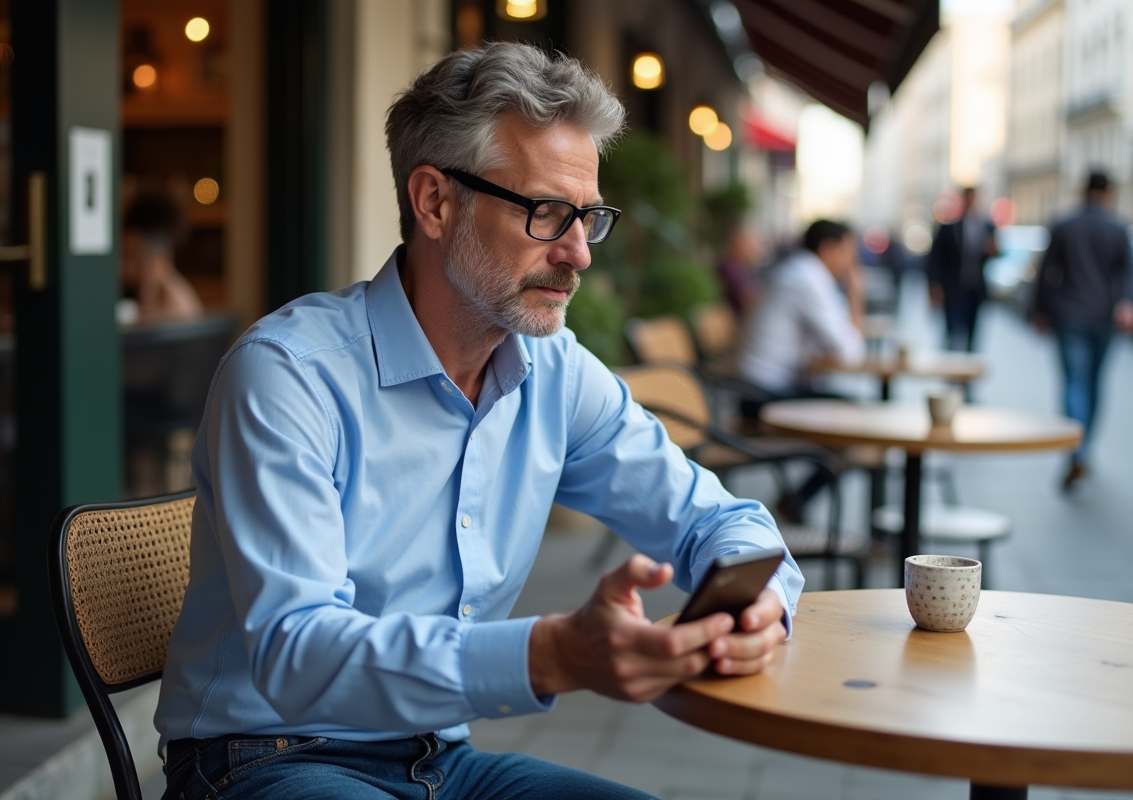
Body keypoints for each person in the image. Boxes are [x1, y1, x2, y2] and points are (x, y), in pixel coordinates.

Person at [154, 42, 802, 800]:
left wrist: (758, 602)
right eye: (547, 213)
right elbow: (299, 654)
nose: (578, 254)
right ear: (434, 201)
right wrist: (552, 653)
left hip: (439, 760)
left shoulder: (555, 374)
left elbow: (714, 521)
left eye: (588, 218)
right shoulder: (289, 375)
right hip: (264, 757)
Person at [736, 219, 865, 520]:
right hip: (759, 395)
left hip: (758, 386)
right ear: (828, 249)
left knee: (851, 414)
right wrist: (856, 293)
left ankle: (796, 501)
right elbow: (850, 352)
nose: (852, 261)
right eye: (848, 252)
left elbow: (832, 345)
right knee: (854, 418)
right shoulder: (807, 278)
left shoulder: (802, 272)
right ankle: (795, 502)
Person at [1032, 170, 1133, 491]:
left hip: (1068, 316)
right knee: (1093, 383)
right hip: (1103, 317)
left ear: (1084, 192)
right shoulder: (1118, 227)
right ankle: (1084, 448)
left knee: (1073, 383)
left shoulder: (1065, 225)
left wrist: (1039, 311)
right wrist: (1127, 303)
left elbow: (1046, 271)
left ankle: (1076, 451)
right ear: (1108, 193)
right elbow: (1129, 273)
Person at [927, 186, 997, 352]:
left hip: (975, 290)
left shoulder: (986, 227)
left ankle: (967, 372)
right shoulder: (949, 228)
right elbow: (936, 259)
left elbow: (993, 254)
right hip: (954, 289)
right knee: (952, 331)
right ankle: (951, 366)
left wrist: (991, 251)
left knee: (973, 334)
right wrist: (934, 286)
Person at [120, 191, 204, 324]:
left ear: (161, 259)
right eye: (123, 256)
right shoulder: (127, 292)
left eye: (132, 257)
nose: (123, 266)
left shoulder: (178, 305)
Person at [716, 226, 764, 319]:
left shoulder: (740, 267)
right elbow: (749, 300)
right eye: (751, 246)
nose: (755, 250)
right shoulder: (729, 267)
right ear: (737, 244)